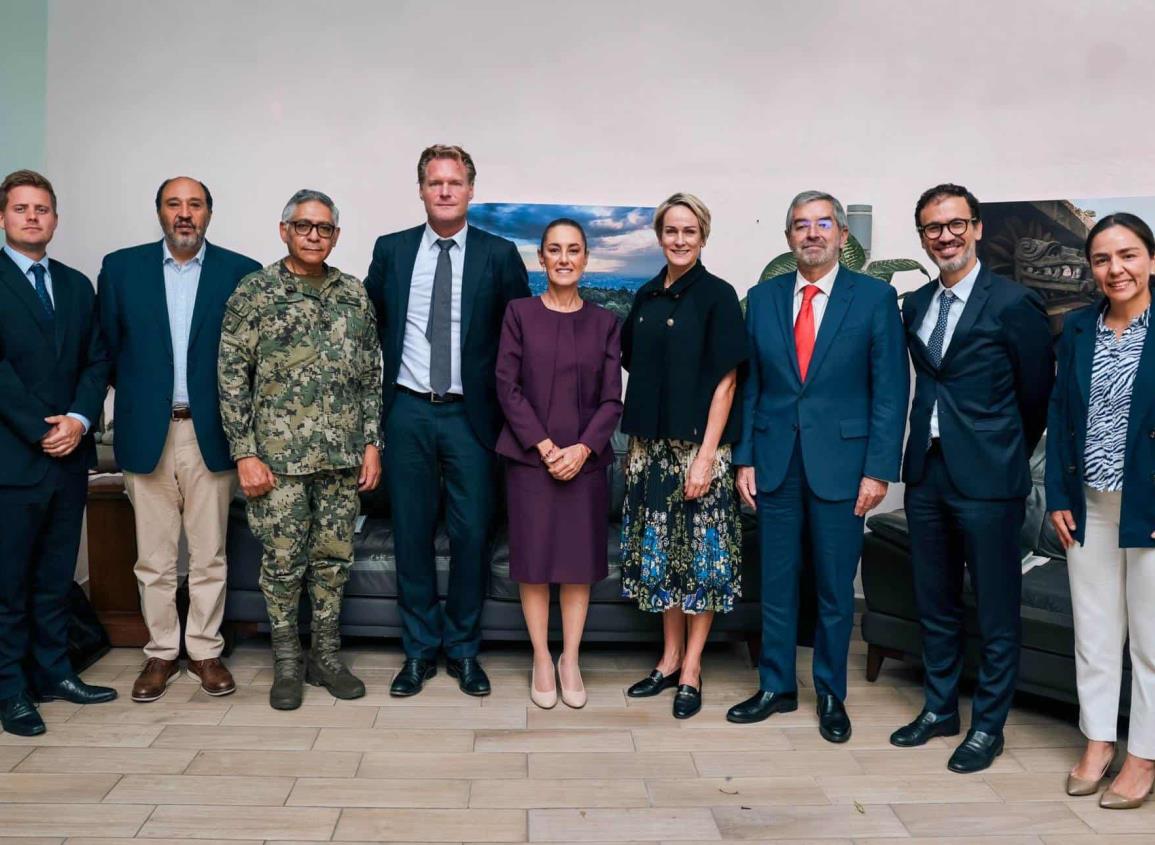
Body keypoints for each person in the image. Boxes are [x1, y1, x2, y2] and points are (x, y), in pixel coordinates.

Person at [726, 191, 908, 742]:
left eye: (822, 224)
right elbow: (752, 385)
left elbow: (889, 391)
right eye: (800, 226)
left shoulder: (875, 299)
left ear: (842, 236)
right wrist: (745, 459)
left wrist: (878, 470)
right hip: (775, 462)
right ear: (788, 239)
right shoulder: (762, 298)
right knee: (776, 583)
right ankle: (777, 687)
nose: (812, 234)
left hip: (844, 465)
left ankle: (830, 692)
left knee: (833, 586)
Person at [890, 183, 1054, 773]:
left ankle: (989, 725)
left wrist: (1001, 450)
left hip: (990, 480)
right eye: (933, 228)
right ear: (923, 238)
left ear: (977, 228)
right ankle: (940, 709)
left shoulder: (1014, 303)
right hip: (927, 475)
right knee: (934, 601)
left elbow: (1036, 396)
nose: (946, 236)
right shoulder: (914, 305)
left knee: (995, 608)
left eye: (956, 224)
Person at [365, 145, 530, 698]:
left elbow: (518, 340)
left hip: (472, 416)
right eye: (434, 182)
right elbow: (369, 334)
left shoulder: (500, 254)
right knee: (410, 534)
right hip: (408, 410)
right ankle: (417, 653)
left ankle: (462, 651)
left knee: (471, 536)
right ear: (420, 189)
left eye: (454, 182)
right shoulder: (390, 251)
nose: (444, 191)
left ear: (470, 190)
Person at [219, 189, 382, 710]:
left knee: (333, 561)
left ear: (336, 236)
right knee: (284, 563)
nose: (315, 235)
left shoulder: (354, 294)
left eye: (325, 228)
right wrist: (245, 452)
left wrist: (373, 444)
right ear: (284, 229)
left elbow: (371, 377)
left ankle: (326, 657)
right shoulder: (256, 293)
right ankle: (287, 661)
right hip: (277, 463)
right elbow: (230, 379)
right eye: (305, 226)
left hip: (341, 460)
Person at [98, 176, 260, 702]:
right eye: (174, 204)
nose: (184, 213)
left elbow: (252, 362)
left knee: (210, 554)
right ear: (160, 212)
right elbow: (110, 352)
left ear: (209, 213)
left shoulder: (241, 273)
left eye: (194, 204)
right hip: (148, 429)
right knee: (155, 558)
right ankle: (162, 653)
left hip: (210, 431)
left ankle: (206, 651)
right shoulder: (121, 269)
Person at [618, 192, 747, 720]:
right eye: (671, 230)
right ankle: (668, 658)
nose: (679, 239)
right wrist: (637, 448)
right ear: (659, 235)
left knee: (701, 561)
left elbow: (727, 380)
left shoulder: (717, 295)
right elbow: (633, 363)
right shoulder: (646, 295)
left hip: (700, 451)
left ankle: (692, 667)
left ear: (703, 236)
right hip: (650, 450)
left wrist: (707, 455)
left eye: (689, 231)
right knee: (662, 558)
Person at [1046, 212, 1155, 809]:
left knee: (1151, 641)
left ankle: (1142, 757)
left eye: (1129, 255)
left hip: (1150, 506)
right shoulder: (1081, 328)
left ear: (1152, 260)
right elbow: (1061, 419)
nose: (1116, 269)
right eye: (1103, 259)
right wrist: (1059, 497)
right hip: (1089, 506)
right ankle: (1098, 742)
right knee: (1093, 633)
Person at [0, 169, 115, 735]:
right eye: (21, 209)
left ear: (55, 219)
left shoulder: (75, 285)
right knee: (8, 585)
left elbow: (97, 361)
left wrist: (77, 420)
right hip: (13, 460)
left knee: (53, 578)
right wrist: (40, 428)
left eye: (41, 209)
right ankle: (11, 690)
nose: (31, 217)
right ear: (3, 218)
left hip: (69, 459)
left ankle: (54, 672)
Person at [495, 218, 623, 709]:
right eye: (555, 249)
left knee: (575, 566)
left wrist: (582, 449)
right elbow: (507, 386)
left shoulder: (606, 323)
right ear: (541, 259)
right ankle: (541, 657)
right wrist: (546, 448)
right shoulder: (519, 313)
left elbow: (612, 400)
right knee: (534, 565)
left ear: (586, 259)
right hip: (530, 462)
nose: (564, 258)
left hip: (585, 464)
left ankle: (570, 657)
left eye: (574, 250)